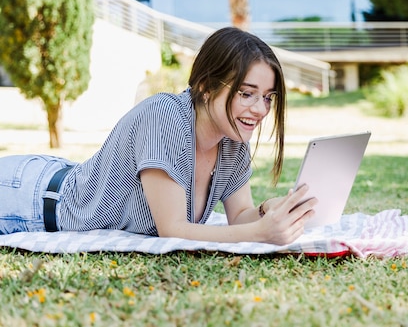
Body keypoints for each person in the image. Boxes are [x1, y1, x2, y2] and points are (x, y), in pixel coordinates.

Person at [0, 27, 317, 245]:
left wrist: (267, 212)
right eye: (247, 94)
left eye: (267, 97)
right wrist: (260, 233)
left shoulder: (232, 140)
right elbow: (173, 229)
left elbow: (240, 218)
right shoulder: (165, 117)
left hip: (55, 178)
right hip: (27, 200)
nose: (260, 109)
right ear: (205, 86)